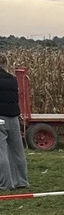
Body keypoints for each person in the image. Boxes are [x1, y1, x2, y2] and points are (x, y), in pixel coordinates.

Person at [0, 53, 28, 190]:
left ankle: (5, 183)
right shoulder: (12, 79)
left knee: (1, 151)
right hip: (13, 118)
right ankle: (21, 181)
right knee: (17, 151)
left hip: (0, 118)